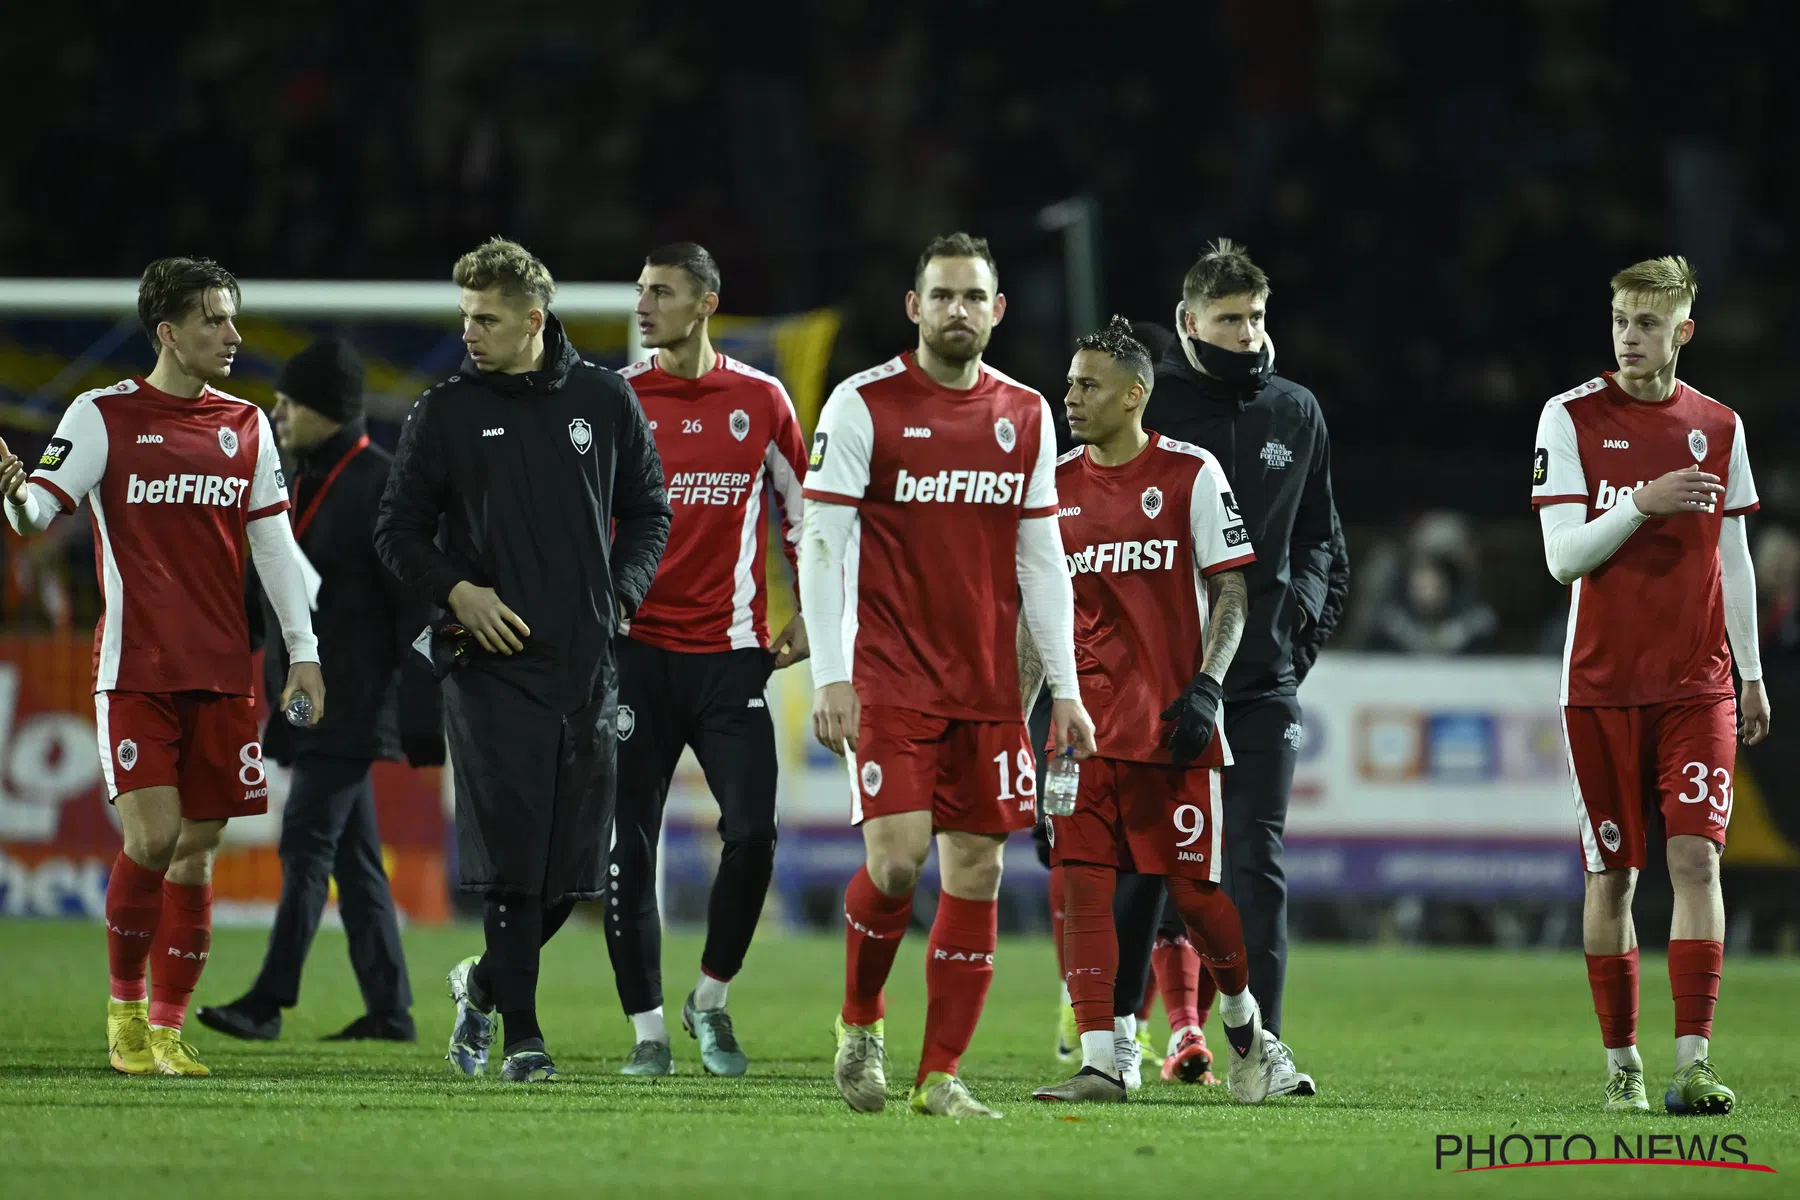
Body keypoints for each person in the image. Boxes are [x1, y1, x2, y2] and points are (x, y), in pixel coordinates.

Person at [0, 257, 323, 1077]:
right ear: (169, 332)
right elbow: (39, 510)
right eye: (216, 318)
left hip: (222, 667)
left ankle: (170, 1030)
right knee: (152, 836)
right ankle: (124, 1014)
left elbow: (276, 546)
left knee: (201, 844)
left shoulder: (246, 424)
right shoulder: (103, 414)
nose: (234, 334)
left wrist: (304, 652)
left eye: (234, 317)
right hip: (135, 667)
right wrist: (11, 491)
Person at [801, 231, 1095, 1119]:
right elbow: (821, 544)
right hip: (889, 678)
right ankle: (860, 1022)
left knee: (977, 873)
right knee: (896, 865)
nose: (958, 310)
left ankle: (939, 1077)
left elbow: (1043, 559)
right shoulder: (863, 405)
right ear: (914, 307)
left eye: (974, 296)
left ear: (998, 310)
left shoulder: (1028, 415)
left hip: (988, 688)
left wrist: (1068, 689)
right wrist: (830, 671)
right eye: (943, 295)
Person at [375, 238, 671, 1083]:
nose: (470, 333)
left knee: (565, 875)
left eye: (487, 319)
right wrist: (457, 592)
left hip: (586, 667)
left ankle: (483, 988)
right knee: (512, 861)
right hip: (489, 667)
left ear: (534, 321)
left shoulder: (604, 399)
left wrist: (621, 595)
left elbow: (649, 508)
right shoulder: (445, 412)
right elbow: (396, 531)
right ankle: (525, 1038)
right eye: (466, 317)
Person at [1532, 254, 1767, 1115]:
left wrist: (1750, 670)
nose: (1630, 337)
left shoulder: (1721, 424)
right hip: (1598, 686)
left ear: (1683, 331)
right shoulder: (1570, 418)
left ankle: (1695, 1060)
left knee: (1697, 857)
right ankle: (1622, 1063)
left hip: (1697, 686)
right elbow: (1562, 560)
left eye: (1647, 323)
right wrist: (1642, 503)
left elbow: (1733, 552)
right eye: (1622, 320)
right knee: (1615, 877)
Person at [1022, 317, 1273, 1105]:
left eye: (1087, 384)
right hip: (1078, 734)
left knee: (1195, 895)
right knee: (1080, 887)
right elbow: (1038, 619)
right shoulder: (1051, 487)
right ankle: (1105, 1061)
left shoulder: (1191, 473)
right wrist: (1017, 725)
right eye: (1068, 382)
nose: (1070, 397)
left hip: (1170, 727)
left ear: (1135, 395)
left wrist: (1208, 685)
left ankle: (1246, 1033)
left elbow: (1232, 588)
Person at [1122, 238, 1349, 1096]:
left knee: (1255, 859)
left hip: (1259, 683)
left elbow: (1323, 538)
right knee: (1149, 869)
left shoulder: (1296, 410)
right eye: (1229, 319)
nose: (1247, 334)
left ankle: (1265, 1049)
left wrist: (1299, 631)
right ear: (1189, 322)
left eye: (1255, 317)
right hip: (1156, 681)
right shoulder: (1149, 405)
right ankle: (1114, 1034)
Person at [197, 337, 444, 1044]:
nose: (276, 416)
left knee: (304, 843)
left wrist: (423, 711)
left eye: (287, 404)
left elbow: (417, 611)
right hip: (307, 704)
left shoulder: (381, 487)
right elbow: (264, 593)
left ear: (326, 410)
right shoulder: (294, 483)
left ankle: (269, 1000)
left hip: (355, 706)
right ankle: (390, 1010)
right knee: (353, 860)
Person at [606, 243, 810, 1077]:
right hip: (634, 654)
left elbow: (806, 518)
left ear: (706, 304)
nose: (646, 305)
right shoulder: (615, 397)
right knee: (627, 846)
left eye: (663, 292)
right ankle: (648, 1033)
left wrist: (817, 625)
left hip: (732, 658)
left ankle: (711, 1001)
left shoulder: (760, 399)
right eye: (643, 290)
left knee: (755, 834)